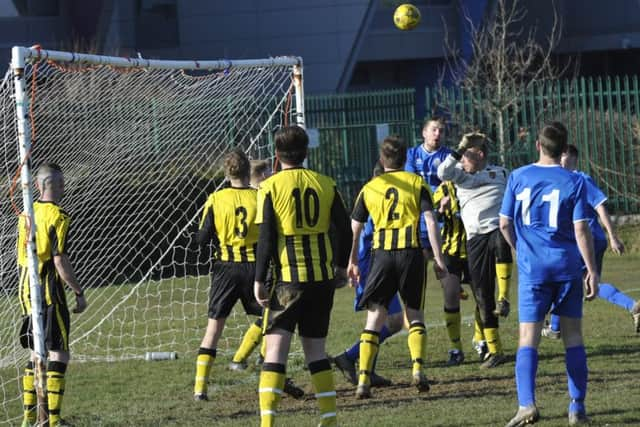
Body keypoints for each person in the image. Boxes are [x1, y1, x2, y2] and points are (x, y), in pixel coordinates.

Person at [500, 122, 599, 426]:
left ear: (538, 146)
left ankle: (527, 405)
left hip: (533, 270)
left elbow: (504, 223)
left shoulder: (517, 177)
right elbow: (582, 229)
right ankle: (576, 408)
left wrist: (521, 250)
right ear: (563, 149)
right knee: (572, 337)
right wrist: (592, 270)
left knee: (528, 338)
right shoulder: (574, 181)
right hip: (567, 267)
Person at [253, 125, 351, 427]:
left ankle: (268, 423)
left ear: (277, 156)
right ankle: (329, 417)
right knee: (316, 351)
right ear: (306, 153)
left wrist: (258, 278)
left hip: (288, 282)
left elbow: (267, 238)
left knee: (275, 351)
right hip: (321, 279)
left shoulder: (269, 187)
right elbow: (345, 229)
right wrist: (339, 266)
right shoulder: (325, 183)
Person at [349, 135, 448, 399]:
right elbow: (429, 220)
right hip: (411, 255)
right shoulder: (416, 182)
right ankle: (417, 370)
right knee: (414, 313)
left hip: (381, 256)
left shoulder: (370, 187)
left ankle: (363, 380)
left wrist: (352, 260)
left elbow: (355, 228)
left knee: (375, 316)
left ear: (382, 160)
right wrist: (438, 260)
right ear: (405, 159)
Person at [542, 144, 640, 338]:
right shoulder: (566, 181)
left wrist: (613, 236)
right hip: (592, 239)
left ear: (572, 160)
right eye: (561, 157)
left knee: (562, 280)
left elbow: (600, 207)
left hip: (584, 240)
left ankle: (554, 328)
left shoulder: (579, 180)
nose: (562, 161)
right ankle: (633, 306)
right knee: (590, 284)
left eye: (565, 157)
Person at [227, 159, 305, 399]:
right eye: (268, 171)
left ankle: (247, 360)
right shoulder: (261, 195)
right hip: (268, 267)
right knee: (272, 319)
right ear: (260, 175)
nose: (272, 173)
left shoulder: (256, 194)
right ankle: (256, 362)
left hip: (258, 266)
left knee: (269, 318)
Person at [17, 163, 87, 427]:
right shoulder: (59, 216)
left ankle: (29, 419)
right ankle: (54, 421)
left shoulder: (25, 213)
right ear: (55, 185)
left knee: (37, 353)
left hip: (25, 290)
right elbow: (59, 261)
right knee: (59, 354)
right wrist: (78, 291)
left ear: (37, 185)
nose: (64, 186)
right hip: (49, 293)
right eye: (62, 182)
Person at [193, 149, 264, 401]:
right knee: (272, 320)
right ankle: (270, 372)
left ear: (227, 172)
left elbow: (201, 239)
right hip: (254, 267)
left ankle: (200, 388)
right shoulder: (260, 197)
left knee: (214, 329)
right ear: (248, 171)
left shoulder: (215, 198)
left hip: (224, 268)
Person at [437, 132, 513, 369]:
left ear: (479, 155)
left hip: (497, 229)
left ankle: (504, 297)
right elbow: (442, 173)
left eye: (466, 156)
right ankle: (495, 350)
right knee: (482, 295)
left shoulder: (501, 173)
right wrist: (460, 147)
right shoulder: (460, 176)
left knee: (501, 237)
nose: (461, 161)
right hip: (474, 239)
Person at [405, 116, 476, 364]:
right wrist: (436, 197)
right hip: (417, 226)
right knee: (415, 284)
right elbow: (411, 185)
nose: (438, 133)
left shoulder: (448, 156)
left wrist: (445, 195)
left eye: (441, 130)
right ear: (424, 132)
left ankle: (460, 343)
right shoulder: (412, 155)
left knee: (448, 283)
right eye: (434, 129)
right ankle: (415, 329)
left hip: (443, 228)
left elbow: (453, 180)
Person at [332, 161, 402, 386]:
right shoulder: (376, 197)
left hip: (376, 264)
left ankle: (364, 367)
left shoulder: (371, 194)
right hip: (372, 266)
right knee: (390, 321)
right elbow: (360, 232)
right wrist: (353, 263)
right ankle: (352, 359)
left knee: (385, 320)